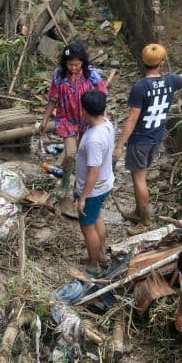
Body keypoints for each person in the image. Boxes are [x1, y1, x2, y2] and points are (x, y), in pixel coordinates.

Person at [114, 43, 182, 229]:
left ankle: (145, 221)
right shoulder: (170, 81)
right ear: (162, 63)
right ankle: (138, 211)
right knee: (142, 175)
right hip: (156, 138)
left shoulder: (140, 88)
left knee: (139, 180)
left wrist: (119, 145)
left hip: (140, 140)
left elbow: (132, 118)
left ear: (144, 62)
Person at [40, 44, 108, 215]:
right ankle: (65, 181)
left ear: (82, 63)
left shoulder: (90, 73)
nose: (74, 68)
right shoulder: (59, 75)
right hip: (66, 118)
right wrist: (45, 119)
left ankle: (82, 185)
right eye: (70, 64)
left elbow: (102, 94)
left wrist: (102, 118)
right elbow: (53, 99)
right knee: (71, 154)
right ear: (65, 63)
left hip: (87, 118)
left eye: (77, 64)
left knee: (84, 155)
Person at [75, 90, 115, 272]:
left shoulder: (93, 139)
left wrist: (83, 197)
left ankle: (93, 265)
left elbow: (93, 171)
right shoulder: (106, 124)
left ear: (85, 111)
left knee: (87, 227)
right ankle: (102, 256)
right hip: (104, 184)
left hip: (93, 189)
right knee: (97, 216)